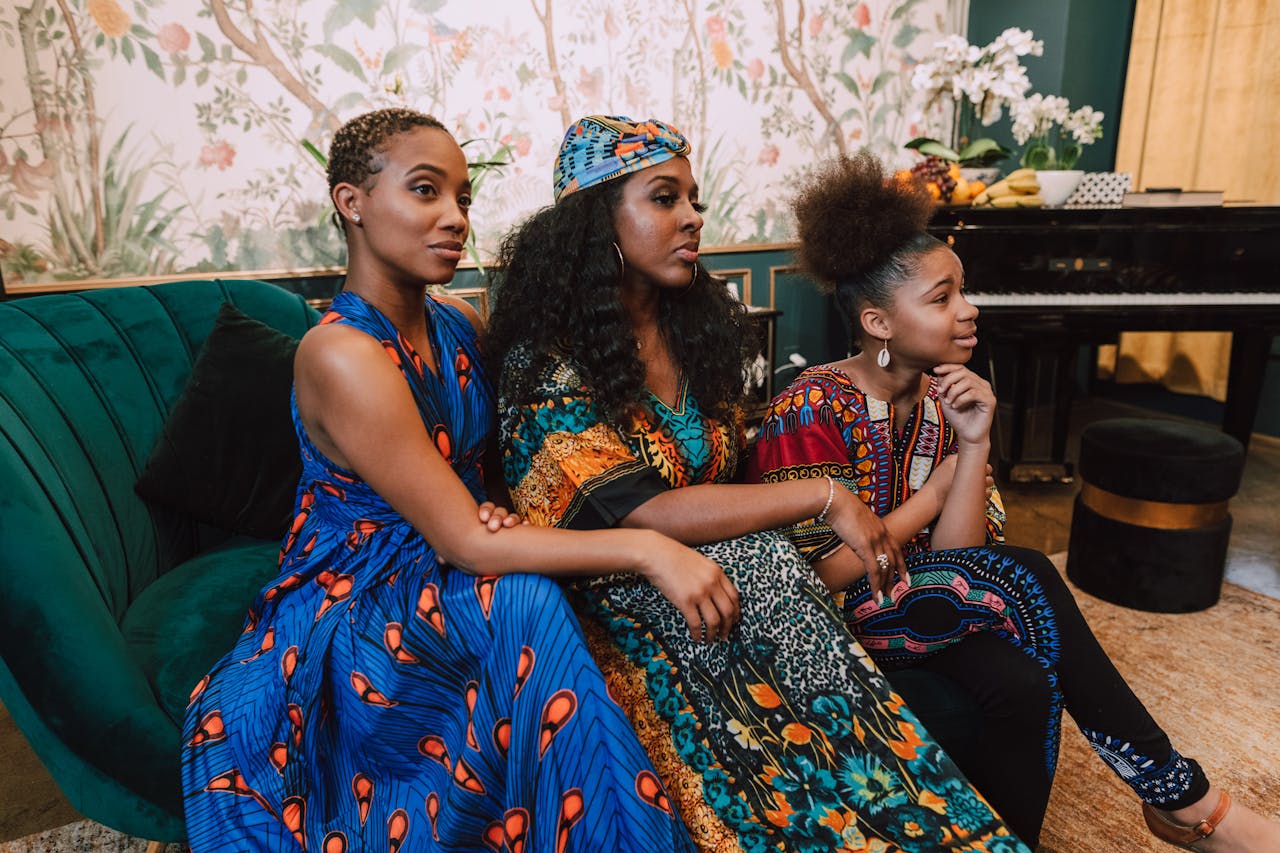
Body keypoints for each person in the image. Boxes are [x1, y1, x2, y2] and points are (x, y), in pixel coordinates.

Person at [180, 107, 749, 851]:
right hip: (357, 598)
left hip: (458, 550)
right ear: (352, 203)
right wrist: (648, 547)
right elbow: (468, 542)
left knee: (573, 594)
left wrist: (514, 514)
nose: (453, 218)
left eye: (463, 199)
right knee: (525, 598)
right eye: (425, 191)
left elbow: (495, 483)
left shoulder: (457, 322)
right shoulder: (340, 355)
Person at [488, 114, 1030, 853]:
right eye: (664, 198)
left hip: (733, 572)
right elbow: (633, 508)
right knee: (767, 562)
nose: (693, 218)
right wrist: (825, 495)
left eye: (694, 198)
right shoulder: (544, 361)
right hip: (609, 590)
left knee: (789, 566)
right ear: (595, 220)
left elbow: (729, 464)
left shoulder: (693, 335)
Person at [745, 151, 1280, 853]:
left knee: (1027, 679)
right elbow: (816, 579)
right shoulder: (811, 405)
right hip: (826, 622)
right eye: (941, 298)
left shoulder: (949, 397)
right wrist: (928, 496)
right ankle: (1184, 799)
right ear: (878, 321)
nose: (969, 309)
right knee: (1029, 576)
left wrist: (973, 445)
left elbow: (965, 562)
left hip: (920, 608)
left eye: (963, 290)